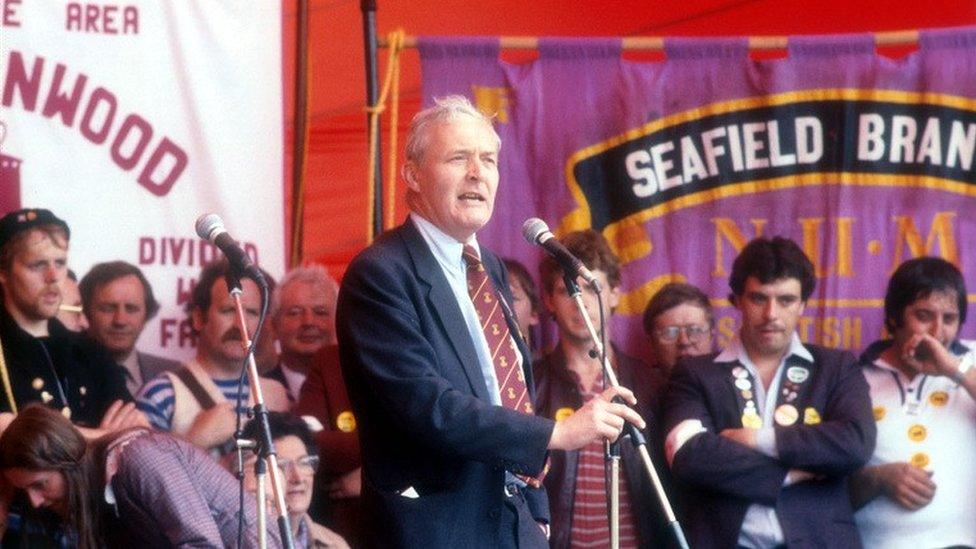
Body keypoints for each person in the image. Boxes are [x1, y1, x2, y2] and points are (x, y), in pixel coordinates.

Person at [336, 95, 644, 548]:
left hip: (515, 524)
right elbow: (427, 406)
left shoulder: (491, 269)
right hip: (436, 529)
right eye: (458, 158)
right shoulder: (381, 274)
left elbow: (509, 388)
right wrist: (557, 433)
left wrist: (535, 511)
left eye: (489, 160)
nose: (477, 173)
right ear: (413, 174)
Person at [662, 236, 876, 548]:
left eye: (786, 300)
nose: (772, 314)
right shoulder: (695, 372)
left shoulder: (836, 367)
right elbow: (688, 455)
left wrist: (758, 439)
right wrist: (790, 472)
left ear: (803, 304)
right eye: (759, 298)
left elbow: (856, 443)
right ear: (737, 301)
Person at [533, 229, 667, 548]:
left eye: (592, 289)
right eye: (568, 290)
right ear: (549, 299)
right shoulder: (530, 382)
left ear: (615, 294)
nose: (581, 303)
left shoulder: (649, 382)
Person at [0, 403, 281, 547]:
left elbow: (201, 544)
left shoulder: (139, 458)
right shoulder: (104, 486)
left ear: (68, 461)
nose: (35, 501)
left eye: (40, 484)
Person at [850, 257, 976, 549]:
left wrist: (953, 371)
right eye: (923, 315)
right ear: (894, 316)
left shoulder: (969, 365)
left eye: (949, 319)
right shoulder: (853, 377)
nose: (937, 332)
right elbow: (825, 486)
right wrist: (879, 478)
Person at [0, 208, 139, 433]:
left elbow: (138, 430)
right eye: (38, 265)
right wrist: (101, 437)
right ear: (3, 272)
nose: (53, 276)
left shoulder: (89, 351)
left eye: (60, 263)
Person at [136, 259, 289, 453]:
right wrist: (194, 440)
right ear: (199, 318)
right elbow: (141, 477)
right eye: (228, 310)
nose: (239, 324)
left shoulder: (277, 395)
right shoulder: (160, 394)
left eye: (251, 312)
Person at [235, 412, 350, 548]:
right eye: (281, 466)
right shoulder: (234, 541)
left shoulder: (335, 544)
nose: (298, 478)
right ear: (254, 474)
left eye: (304, 462)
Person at [78, 261, 180, 397]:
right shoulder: (64, 372)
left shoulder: (174, 375)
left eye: (131, 309)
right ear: (86, 312)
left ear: (146, 315)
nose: (120, 320)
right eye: (108, 309)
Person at [266, 264, 340, 403]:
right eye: (295, 312)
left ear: (339, 323)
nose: (308, 322)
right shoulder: (256, 394)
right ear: (274, 326)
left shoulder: (358, 387)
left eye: (320, 312)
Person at [642, 282, 715, 377]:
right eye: (670, 332)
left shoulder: (734, 386)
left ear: (711, 337)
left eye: (695, 330)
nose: (684, 342)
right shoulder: (637, 389)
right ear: (651, 343)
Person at [503, 258, 541, 357]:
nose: (501, 305)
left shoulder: (547, 371)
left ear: (534, 313)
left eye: (512, 298)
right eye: (491, 298)